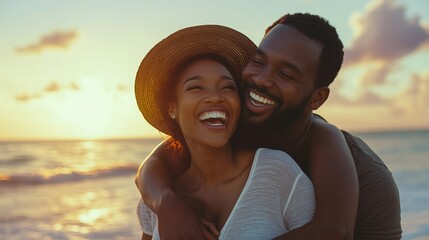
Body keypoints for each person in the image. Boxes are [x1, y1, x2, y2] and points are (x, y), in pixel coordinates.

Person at [136, 13, 402, 240]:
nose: (261, 79)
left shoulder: (368, 179)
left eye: (286, 74)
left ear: (317, 98)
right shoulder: (233, 121)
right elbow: (158, 161)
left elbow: (334, 230)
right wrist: (165, 202)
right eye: (258, 61)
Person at [134, 24, 316, 240]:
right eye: (195, 87)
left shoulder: (276, 172)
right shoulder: (157, 197)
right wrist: (168, 206)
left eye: (227, 87)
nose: (215, 97)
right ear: (172, 108)